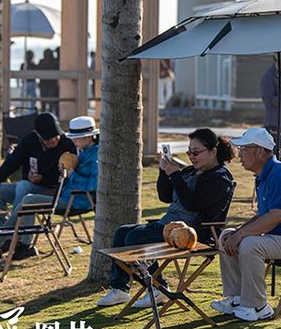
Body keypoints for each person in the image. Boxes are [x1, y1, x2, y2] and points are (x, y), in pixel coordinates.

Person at [96, 128, 235, 308]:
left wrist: (175, 175)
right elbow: (165, 196)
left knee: (135, 237)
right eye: (189, 152)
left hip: (193, 233)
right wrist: (164, 172)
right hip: (169, 226)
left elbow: (193, 204)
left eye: (196, 152)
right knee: (122, 232)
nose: (191, 157)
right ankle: (120, 288)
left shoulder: (220, 178)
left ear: (213, 151)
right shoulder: (190, 172)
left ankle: (158, 288)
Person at [210, 127, 281, 322]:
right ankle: (237, 298)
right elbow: (262, 216)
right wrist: (237, 232)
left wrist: (241, 235)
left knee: (250, 244)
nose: (239, 154)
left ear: (259, 151)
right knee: (226, 235)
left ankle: (258, 306)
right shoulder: (264, 175)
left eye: (244, 149)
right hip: (279, 238)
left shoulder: (278, 173)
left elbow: (276, 217)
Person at [0, 116, 100, 260]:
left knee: (28, 199)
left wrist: (70, 173)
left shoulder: (94, 155)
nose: (73, 141)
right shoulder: (84, 151)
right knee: (18, 194)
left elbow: (93, 184)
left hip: (75, 200)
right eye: (73, 138)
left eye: (77, 138)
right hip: (67, 195)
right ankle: (4, 241)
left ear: (88, 137)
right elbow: (11, 163)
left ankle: (7, 242)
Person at [37, 48, 59, 113]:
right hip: (52, 84)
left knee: (43, 102)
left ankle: (43, 114)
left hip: (43, 84)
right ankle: (50, 114)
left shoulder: (42, 61)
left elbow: (38, 70)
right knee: (51, 102)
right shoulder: (55, 62)